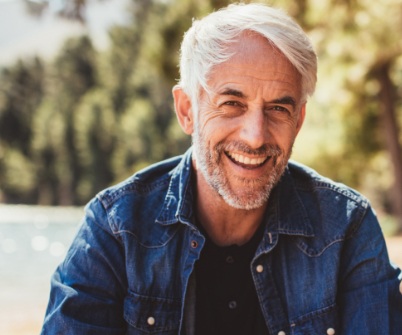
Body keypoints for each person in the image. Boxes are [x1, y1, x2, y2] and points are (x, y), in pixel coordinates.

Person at [41, 3, 402, 334]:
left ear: (299, 120)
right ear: (186, 110)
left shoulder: (347, 227)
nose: (256, 136)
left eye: (278, 108)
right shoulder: (116, 228)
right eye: (232, 103)